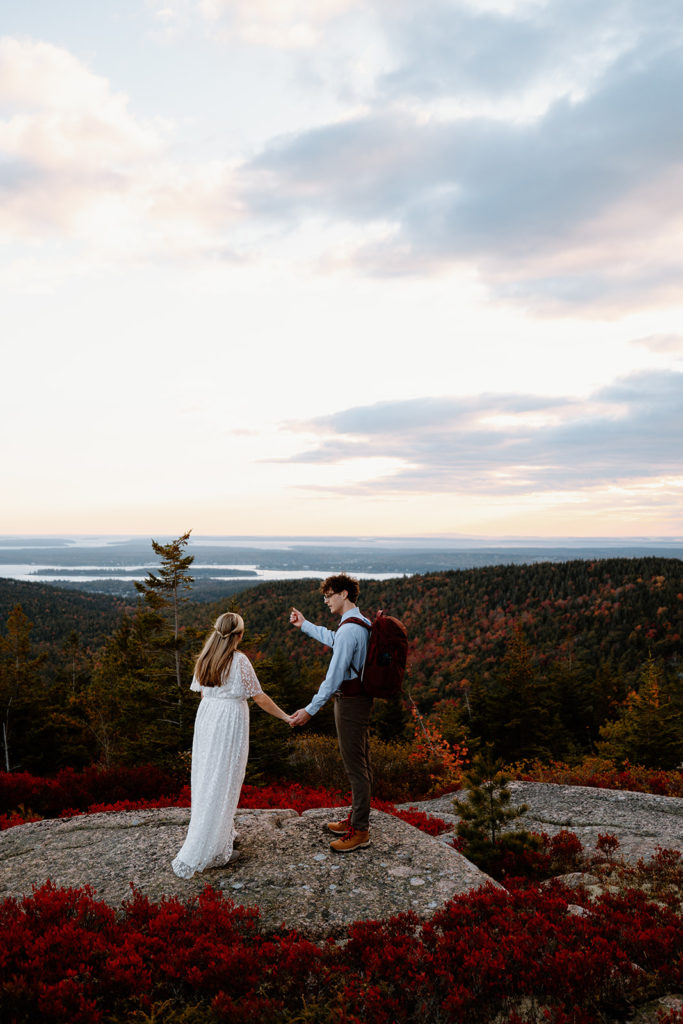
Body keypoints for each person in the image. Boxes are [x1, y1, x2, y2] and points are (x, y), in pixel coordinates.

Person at [172, 611, 291, 878]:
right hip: (229, 722)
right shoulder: (239, 661)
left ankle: (219, 832)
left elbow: (204, 692)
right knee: (225, 778)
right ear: (238, 635)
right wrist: (285, 717)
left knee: (208, 777)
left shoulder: (205, 658)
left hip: (208, 719)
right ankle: (213, 848)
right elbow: (258, 697)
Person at [289, 574, 372, 853]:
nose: (326, 600)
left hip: (349, 701)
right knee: (360, 761)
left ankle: (360, 830)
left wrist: (310, 710)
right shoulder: (359, 623)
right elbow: (333, 639)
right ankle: (356, 819)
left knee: (355, 766)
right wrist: (306, 626)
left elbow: (333, 676)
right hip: (358, 699)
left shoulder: (351, 630)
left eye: (329, 595)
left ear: (345, 594)